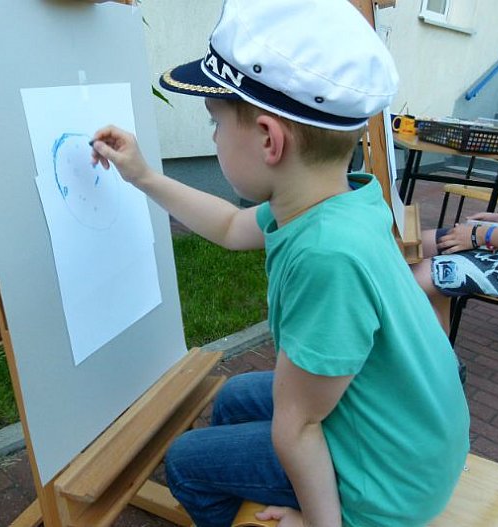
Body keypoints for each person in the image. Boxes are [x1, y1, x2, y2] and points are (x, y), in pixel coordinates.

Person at [90, 1, 470, 525]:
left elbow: (299, 428)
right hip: (412, 434)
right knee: (235, 397)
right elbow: (230, 226)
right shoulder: (339, 200)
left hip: (390, 483)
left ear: (269, 139)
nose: (214, 137)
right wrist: (144, 177)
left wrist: (316, 522)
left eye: (215, 123)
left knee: (186, 462)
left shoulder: (325, 257)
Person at [412, 140, 498, 335]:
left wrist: (482, 234)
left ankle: (432, 348)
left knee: (412, 278)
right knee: (422, 243)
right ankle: (440, 342)